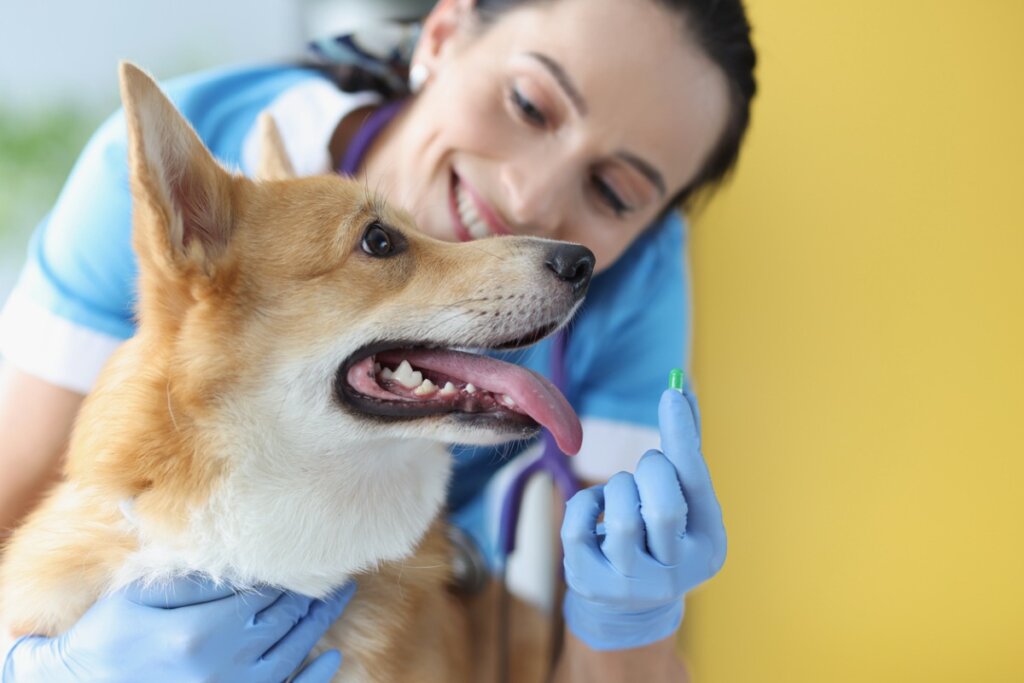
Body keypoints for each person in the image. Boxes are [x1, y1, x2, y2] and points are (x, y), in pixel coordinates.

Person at [0, 0, 756, 680]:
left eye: (616, 191)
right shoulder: (181, 188)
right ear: (443, 31)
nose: (530, 197)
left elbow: (609, 666)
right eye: (529, 103)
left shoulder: (632, 282)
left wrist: (627, 619)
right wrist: (47, 668)